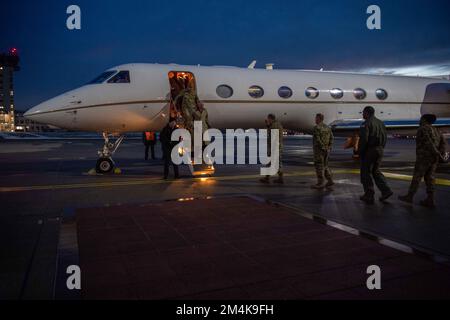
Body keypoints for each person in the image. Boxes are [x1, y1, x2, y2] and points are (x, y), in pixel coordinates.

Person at [398, 114, 446, 208]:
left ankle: (410, 196)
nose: (420, 120)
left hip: (424, 157)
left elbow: (429, 142)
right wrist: (440, 154)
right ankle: (430, 199)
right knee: (430, 178)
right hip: (433, 158)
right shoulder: (437, 130)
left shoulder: (423, 129)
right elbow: (443, 143)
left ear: (424, 120)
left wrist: (437, 153)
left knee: (417, 177)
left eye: (421, 119)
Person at [358, 106, 393, 204]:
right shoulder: (380, 123)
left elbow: (364, 140)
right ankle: (386, 190)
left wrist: (360, 152)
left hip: (370, 151)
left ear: (367, 113)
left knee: (365, 172)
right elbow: (385, 137)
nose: (362, 114)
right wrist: (381, 148)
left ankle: (369, 195)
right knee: (376, 171)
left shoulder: (366, 124)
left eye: (363, 113)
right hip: (380, 149)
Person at [311, 113, 334, 189]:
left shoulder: (317, 128)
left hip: (319, 150)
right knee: (325, 165)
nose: (315, 119)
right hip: (326, 150)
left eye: (316, 118)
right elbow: (332, 138)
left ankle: (320, 183)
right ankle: (330, 180)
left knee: (319, 166)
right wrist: (329, 147)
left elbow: (317, 139)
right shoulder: (327, 127)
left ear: (318, 119)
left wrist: (322, 147)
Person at [260, 114, 284, 184]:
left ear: (271, 119)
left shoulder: (274, 125)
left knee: (275, 163)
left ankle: (280, 178)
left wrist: (267, 126)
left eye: (268, 119)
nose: (267, 120)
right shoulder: (276, 124)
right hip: (276, 146)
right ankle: (267, 177)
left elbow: (270, 135)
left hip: (275, 147)